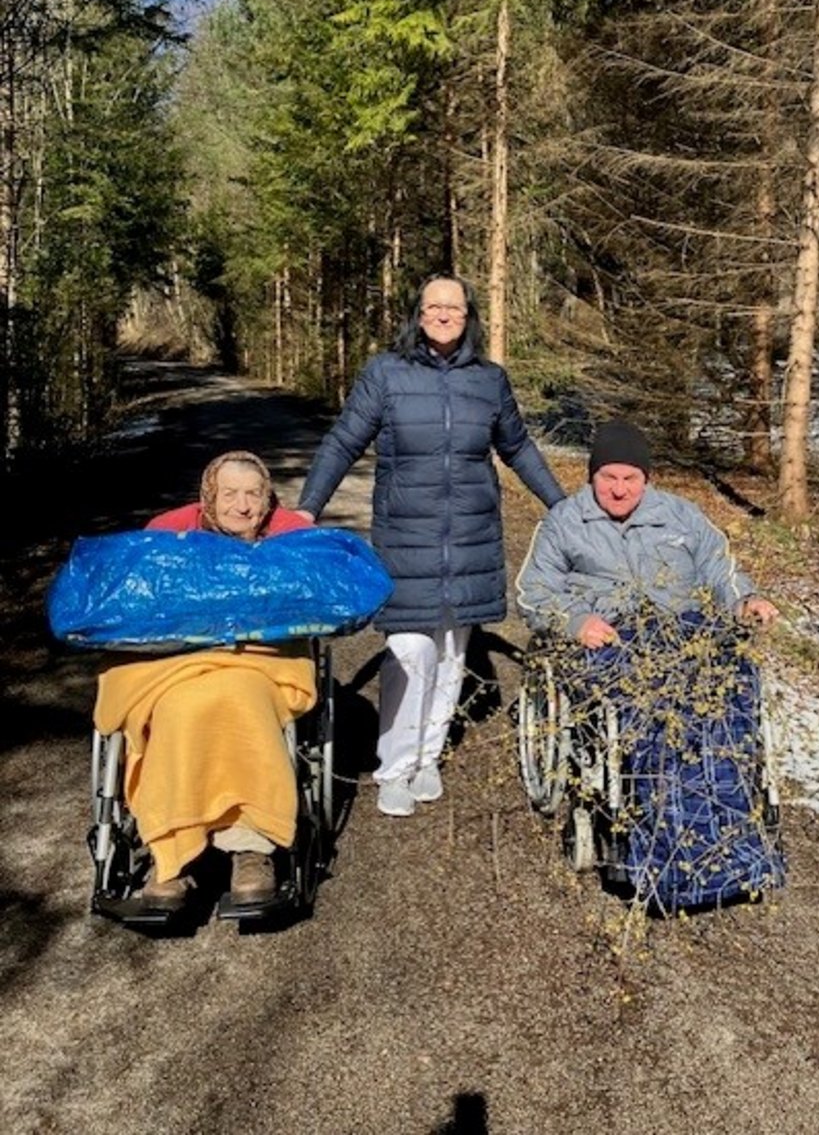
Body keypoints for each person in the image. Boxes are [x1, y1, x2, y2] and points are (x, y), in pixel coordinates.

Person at [297, 274, 564, 817]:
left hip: (470, 535)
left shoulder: (489, 380)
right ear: (417, 314)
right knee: (410, 651)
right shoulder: (386, 373)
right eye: (434, 306)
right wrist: (307, 507)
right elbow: (345, 439)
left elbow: (517, 448)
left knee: (450, 655)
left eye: (455, 307)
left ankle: (427, 759)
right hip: (406, 536)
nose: (444, 315)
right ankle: (394, 768)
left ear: (469, 317)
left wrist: (564, 506)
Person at [93, 451, 316, 909]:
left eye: (253, 494)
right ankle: (172, 854)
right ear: (208, 498)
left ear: (267, 499)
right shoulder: (170, 534)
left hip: (258, 664)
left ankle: (252, 845)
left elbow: (319, 599)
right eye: (228, 493)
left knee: (240, 701)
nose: (241, 505)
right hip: (178, 664)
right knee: (177, 708)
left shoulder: (289, 537)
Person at [516, 419, 778, 642]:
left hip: (684, 631)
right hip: (609, 637)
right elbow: (534, 593)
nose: (619, 491)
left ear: (646, 479)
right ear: (592, 477)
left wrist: (745, 601)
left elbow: (720, 571)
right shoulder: (564, 523)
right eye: (608, 478)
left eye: (630, 479)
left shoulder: (683, 516)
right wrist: (576, 622)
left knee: (738, 680)